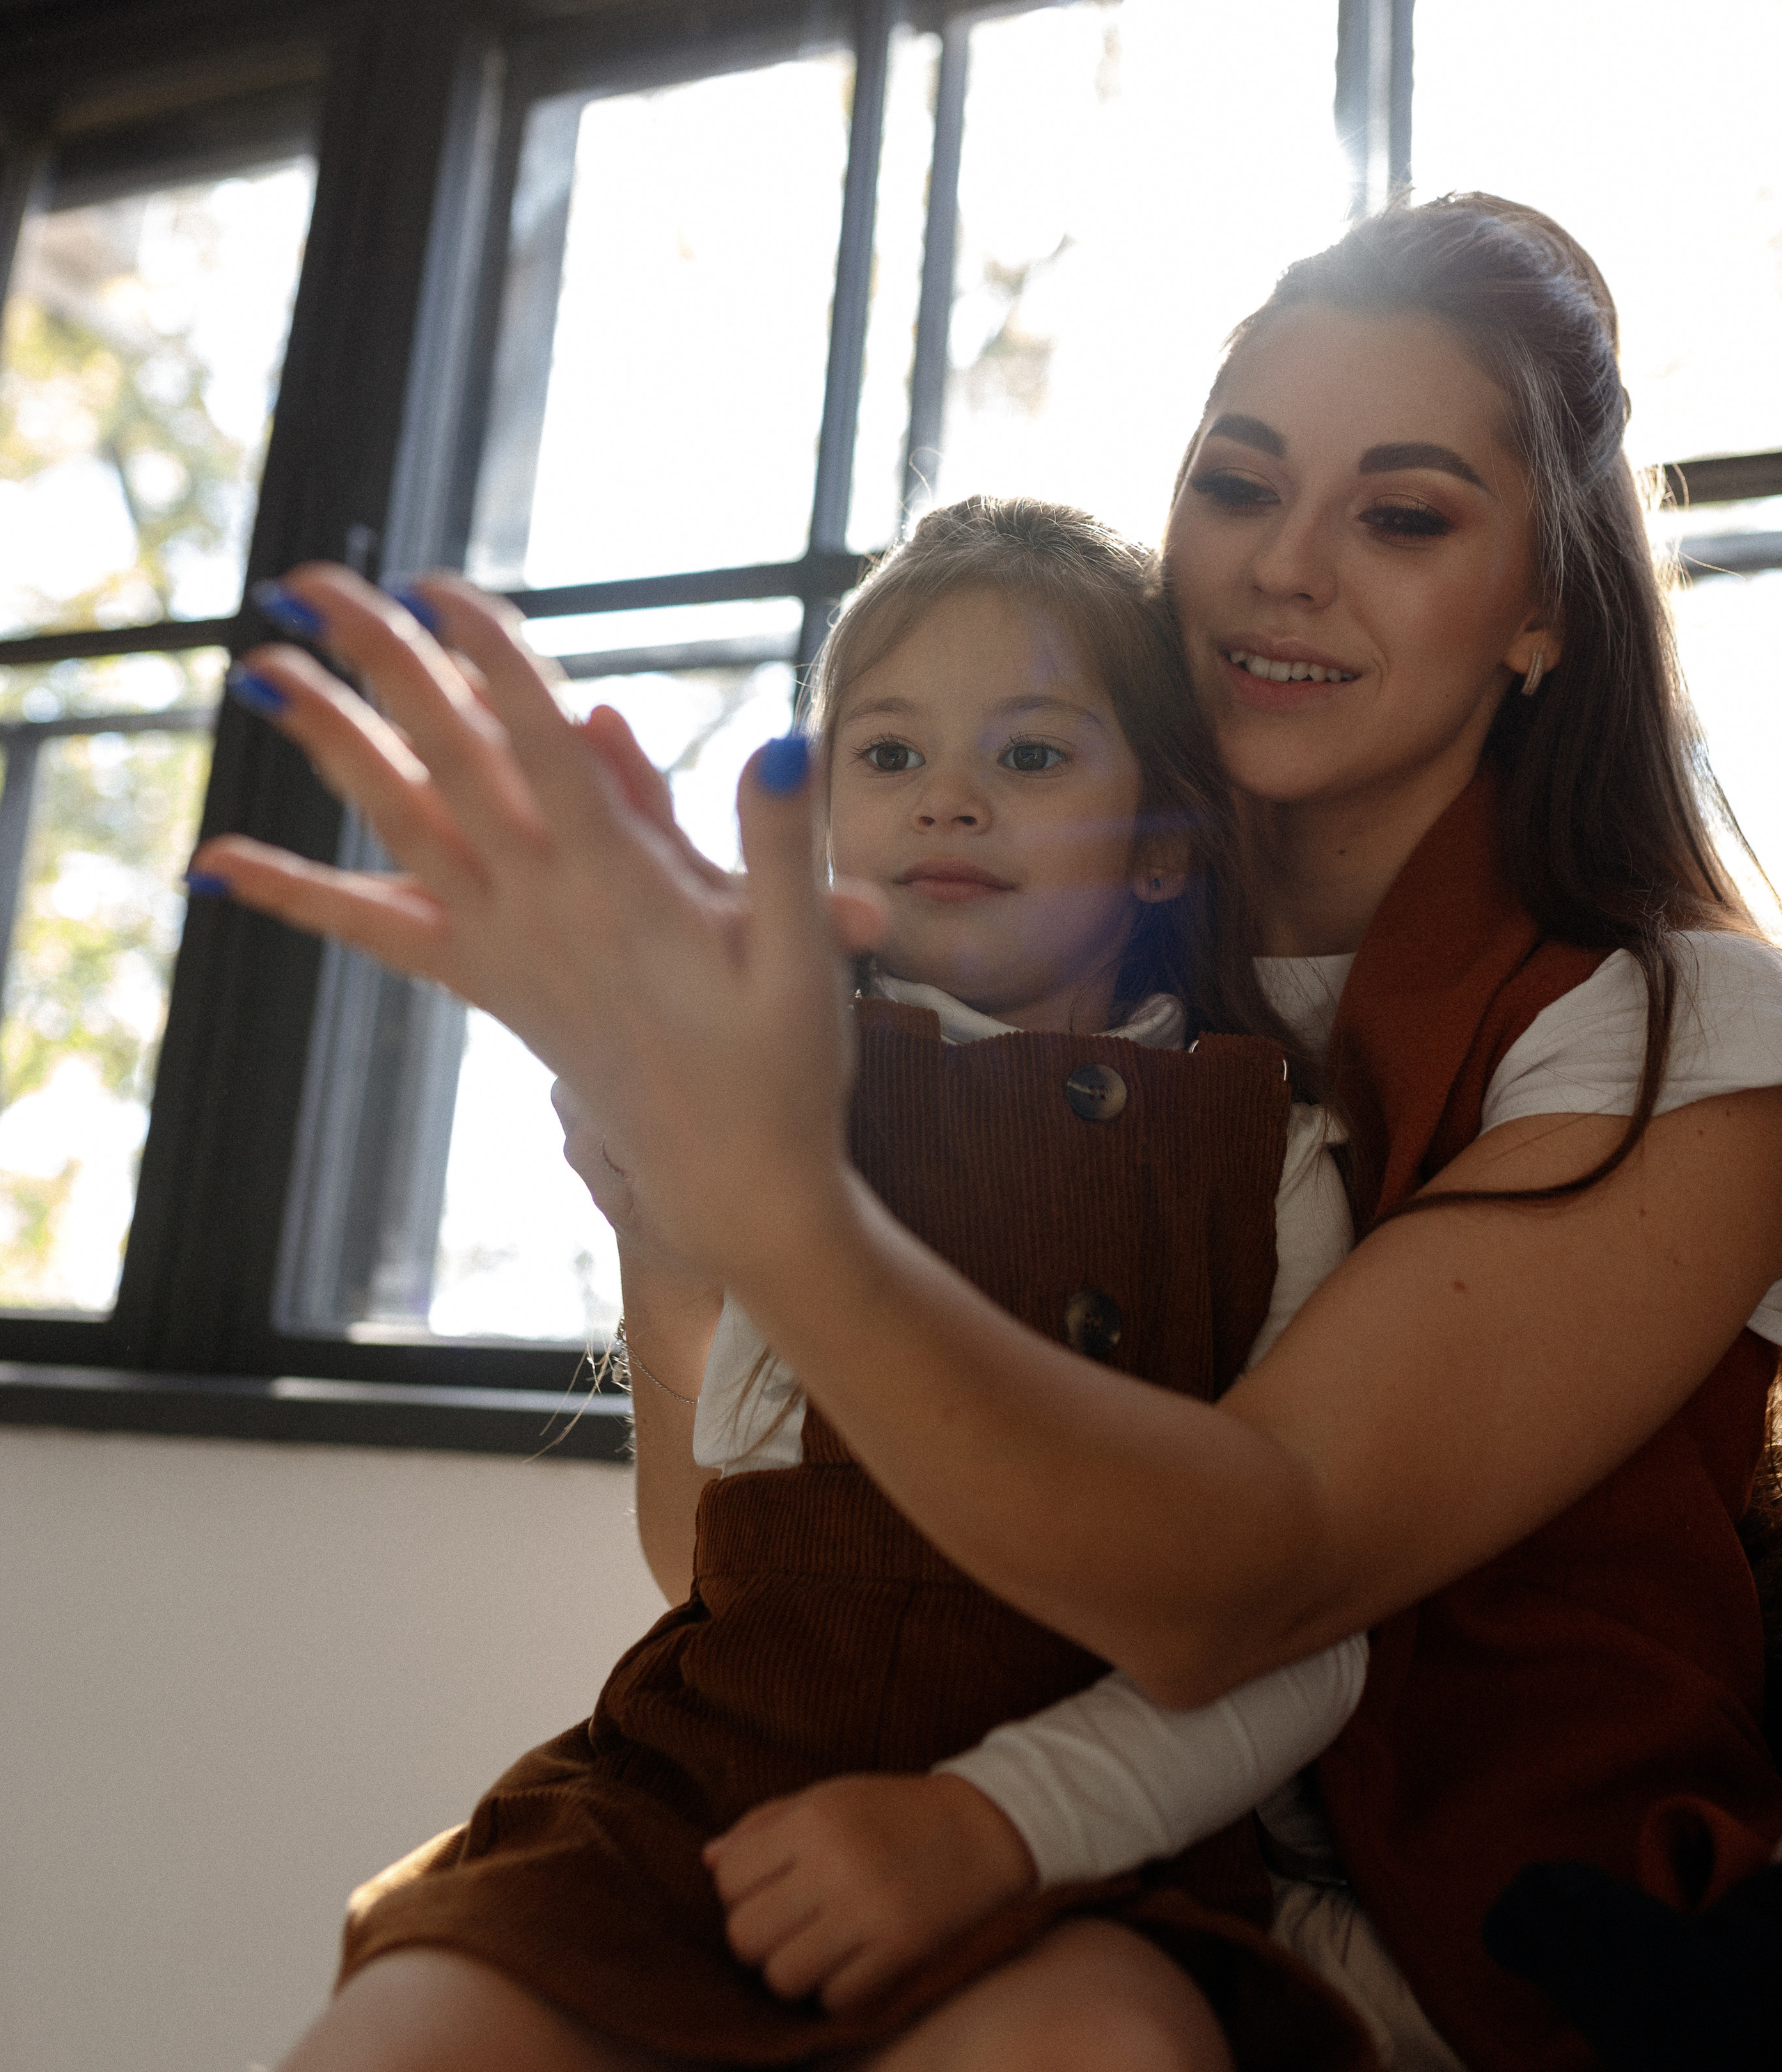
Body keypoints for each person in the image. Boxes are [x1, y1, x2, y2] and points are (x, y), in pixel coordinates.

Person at [193, 193, 1782, 2072]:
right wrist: (672, 1202)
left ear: (1541, 609)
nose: (1284, 567)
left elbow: (1255, 1582)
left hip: (1440, 1925)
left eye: (1406, 514)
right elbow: (733, 1572)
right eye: (1237, 485)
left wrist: (775, 1202)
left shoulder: (1682, 1029)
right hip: (907, 1817)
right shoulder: (1036, 983)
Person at [252, 498, 1375, 2071]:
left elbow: (1303, 1637)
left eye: (1033, 757)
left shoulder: (1266, 1157)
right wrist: (661, 1230)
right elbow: (703, 1565)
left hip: (1069, 1867)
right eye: (888, 756)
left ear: (1166, 847)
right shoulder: (777, 1089)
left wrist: (990, 1827)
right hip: (686, 1820)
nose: (950, 804)